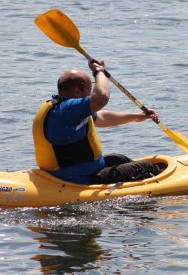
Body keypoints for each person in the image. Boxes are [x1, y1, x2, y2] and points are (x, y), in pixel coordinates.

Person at [32, 58, 161, 184]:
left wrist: (137, 117)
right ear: (77, 92)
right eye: (90, 90)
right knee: (148, 167)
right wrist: (98, 72)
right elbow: (102, 98)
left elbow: (102, 118)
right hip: (78, 179)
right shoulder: (67, 109)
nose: (91, 94)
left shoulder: (67, 110)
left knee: (120, 159)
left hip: (85, 171)